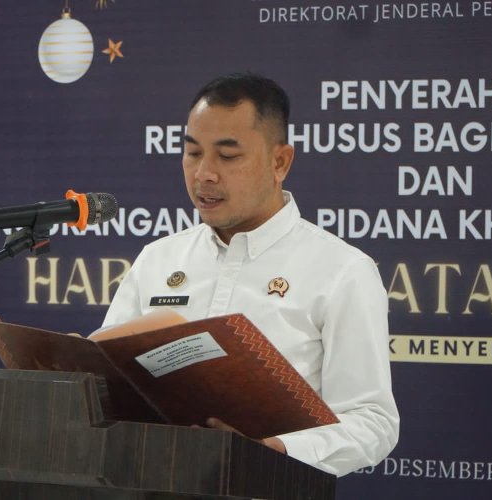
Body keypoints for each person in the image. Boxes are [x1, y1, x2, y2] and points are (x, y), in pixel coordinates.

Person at [99, 72, 399, 476]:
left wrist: (273, 450)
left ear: (280, 162)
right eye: (192, 152)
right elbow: (107, 380)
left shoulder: (342, 271)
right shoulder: (158, 259)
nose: (204, 173)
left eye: (227, 156)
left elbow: (372, 423)